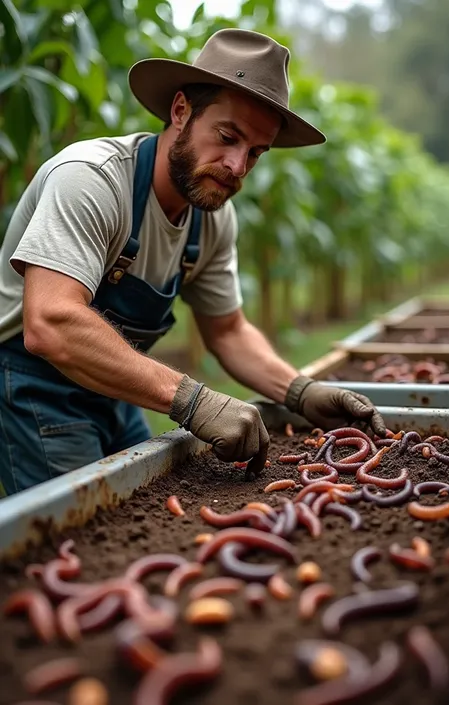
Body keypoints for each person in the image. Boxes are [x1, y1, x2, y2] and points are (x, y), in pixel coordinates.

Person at [0, 28, 385, 495]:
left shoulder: (213, 218)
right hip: (34, 387)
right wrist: (192, 400)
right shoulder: (91, 180)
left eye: (255, 153)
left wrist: (300, 391)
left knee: (154, 501)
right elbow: (51, 323)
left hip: (116, 386)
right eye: (228, 136)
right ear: (180, 111)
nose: (237, 166)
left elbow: (227, 330)